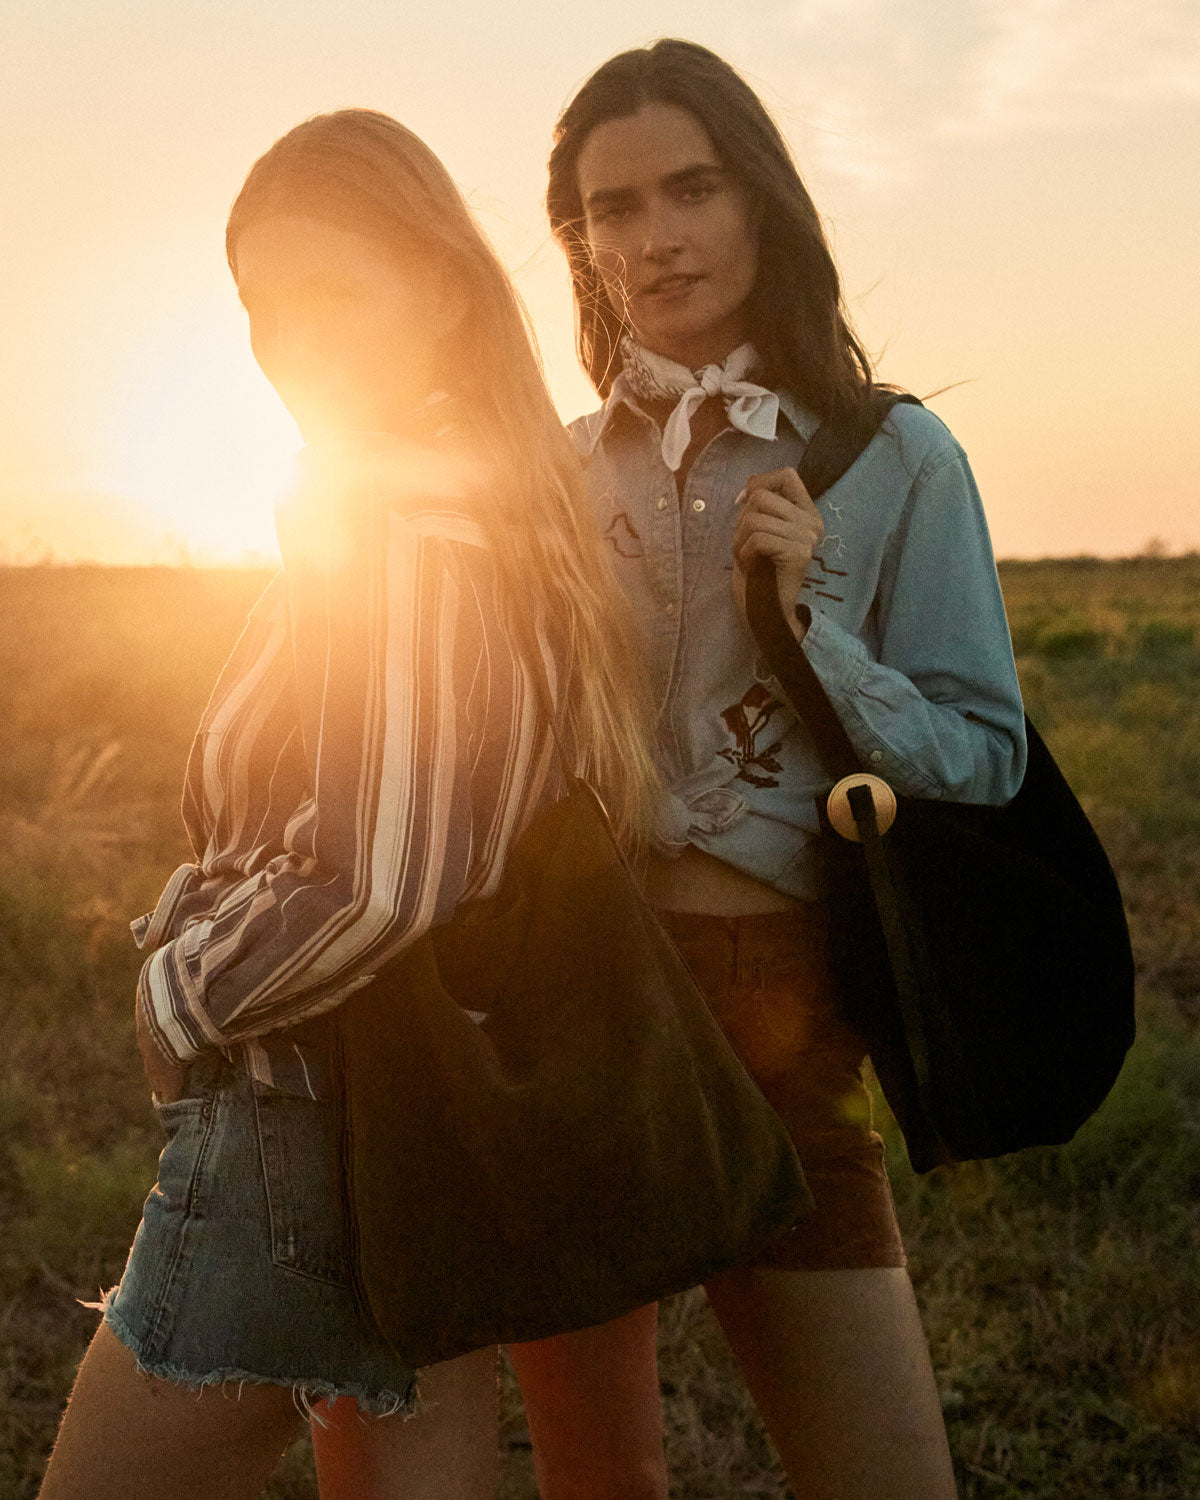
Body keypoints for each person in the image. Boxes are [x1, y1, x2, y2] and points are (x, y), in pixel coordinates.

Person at [331, 38, 1027, 1500]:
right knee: (603, 1477)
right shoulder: (552, 469)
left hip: (782, 1009)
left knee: (888, 1479)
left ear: (760, 200)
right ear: (581, 242)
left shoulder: (893, 457)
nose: (654, 236)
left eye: (692, 189)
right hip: (578, 991)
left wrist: (815, 629)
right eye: (615, 207)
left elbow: (983, 756)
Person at [37, 107, 657, 1500]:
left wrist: (177, 993)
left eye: (330, 293)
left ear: (440, 291)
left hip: (303, 1122)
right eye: (263, 306)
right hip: (397, 1113)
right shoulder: (461, 504)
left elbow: (386, 876)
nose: (288, 341)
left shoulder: (413, 533)